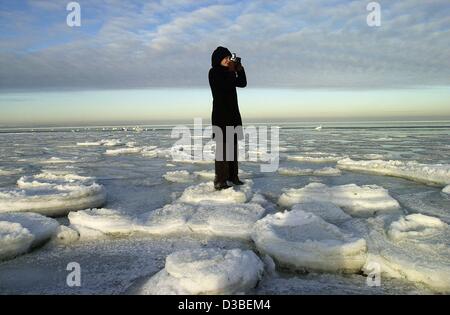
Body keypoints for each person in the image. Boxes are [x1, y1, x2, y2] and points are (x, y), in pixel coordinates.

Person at [208, 46, 247, 190]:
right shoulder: (214, 72)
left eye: (229, 58)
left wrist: (239, 68)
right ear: (218, 59)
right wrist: (232, 69)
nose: (227, 60)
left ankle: (233, 176)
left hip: (233, 115)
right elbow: (226, 84)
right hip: (221, 115)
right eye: (225, 58)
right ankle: (220, 180)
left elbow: (242, 83)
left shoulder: (228, 72)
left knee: (233, 148)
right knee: (223, 149)